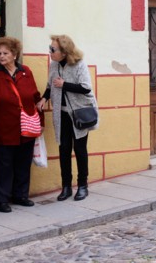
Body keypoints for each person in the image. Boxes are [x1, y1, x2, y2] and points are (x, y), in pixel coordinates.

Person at [0, 37, 44, 213]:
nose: (1, 56)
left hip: (26, 126)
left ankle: (21, 195)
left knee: (23, 163)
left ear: (14, 54)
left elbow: (35, 97)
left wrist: (41, 121)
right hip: (3, 127)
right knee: (3, 165)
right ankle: (2, 200)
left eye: (5, 53)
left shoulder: (26, 72)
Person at [37, 35, 98, 201]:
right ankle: (66, 187)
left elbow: (85, 88)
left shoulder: (79, 64)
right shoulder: (54, 65)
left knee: (79, 150)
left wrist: (65, 84)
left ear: (64, 52)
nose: (50, 51)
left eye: (53, 49)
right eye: (50, 48)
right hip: (61, 113)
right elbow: (51, 85)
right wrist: (44, 98)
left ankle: (83, 186)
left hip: (79, 113)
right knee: (64, 150)